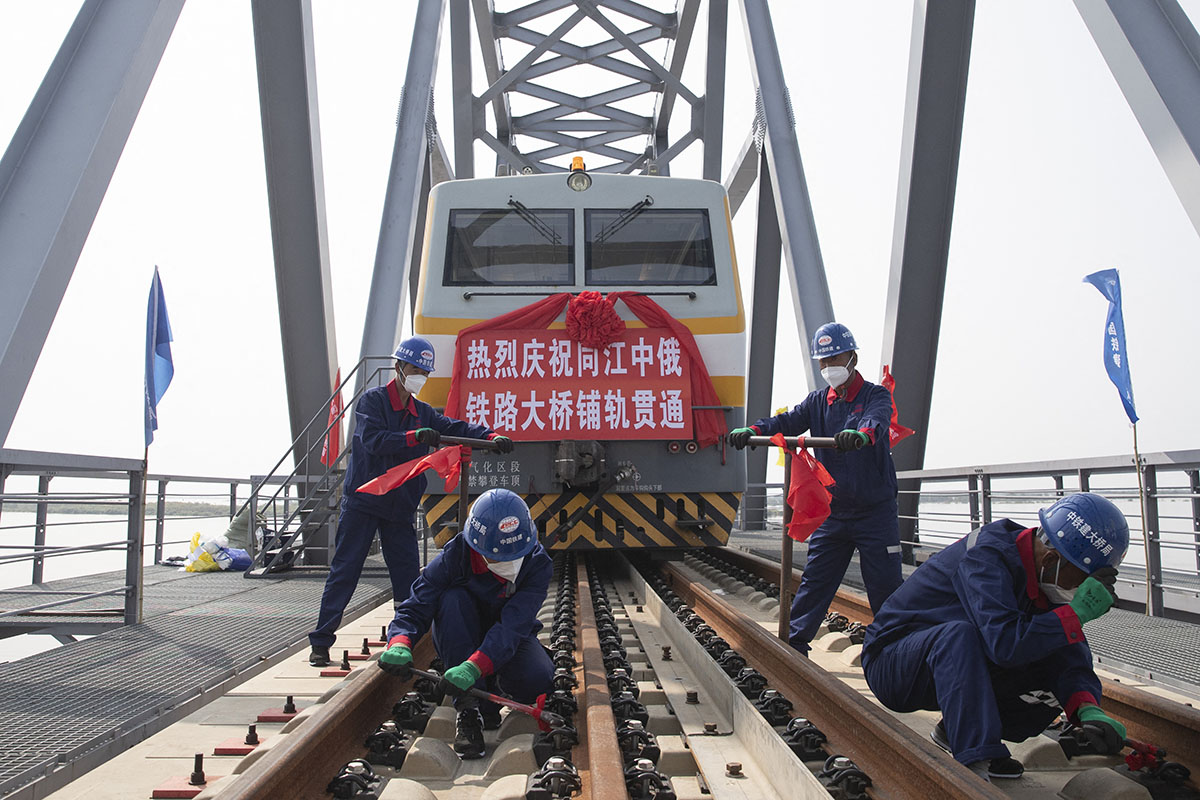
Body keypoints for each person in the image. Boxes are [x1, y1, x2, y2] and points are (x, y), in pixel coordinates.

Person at [860, 492, 1129, 781]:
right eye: (1080, 581)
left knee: (1051, 643)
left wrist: (1086, 707)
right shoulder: (986, 557)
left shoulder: (1044, 576)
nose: (1078, 593)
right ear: (1051, 560)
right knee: (961, 635)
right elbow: (1004, 644)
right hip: (894, 663)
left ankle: (954, 734)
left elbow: (1068, 653)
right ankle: (975, 759)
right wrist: (1074, 615)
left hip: (948, 663)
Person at [308, 336, 513, 667]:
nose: (419, 376)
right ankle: (321, 641)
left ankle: (406, 641)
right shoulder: (371, 403)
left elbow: (453, 426)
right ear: (399, 367)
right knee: (346, 570)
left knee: (407, 579)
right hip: (364, 503)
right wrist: (411, 437)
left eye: (424, 372)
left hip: (399, 507)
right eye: (415, 369)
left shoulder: (423, 412)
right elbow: (373, 441)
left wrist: (489, 436)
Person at [728, 321, 902, 654]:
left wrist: (863, 435)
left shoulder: (875, 395)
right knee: (815, 582)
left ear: (851, 357)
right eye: (823, 361)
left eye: (834, 358)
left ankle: (896, 651)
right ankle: (795, 648)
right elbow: (787, 422)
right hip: (834, 512)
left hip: (874, 513)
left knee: (886, 588)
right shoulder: (818, 402)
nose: (828, 367)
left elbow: (876, 421)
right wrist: (753, 429)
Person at [376, 488, 554, 760]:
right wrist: (400, 641)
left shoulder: (537, 564)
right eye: (497, 556)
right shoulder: (455, 556)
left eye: (513, 555)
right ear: (477, 547)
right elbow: (418, 602)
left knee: (536, 678)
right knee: (451, 599)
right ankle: (469, 710)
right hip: (462, 631)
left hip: (505, 638)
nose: (507, 562)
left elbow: (513, 625)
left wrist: (475, 667)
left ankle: (491, 687)